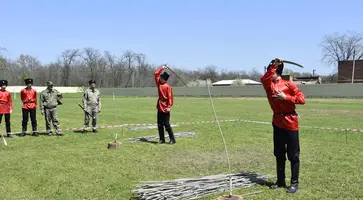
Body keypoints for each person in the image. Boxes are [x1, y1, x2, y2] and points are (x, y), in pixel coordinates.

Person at [260, 58, 306, 193]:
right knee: (279, 153)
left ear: (277, 71)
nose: (269, 73)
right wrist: (275, 63)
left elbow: (302, 100)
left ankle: (294, 183)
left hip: (291, 122)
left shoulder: (288, 84)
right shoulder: (268, 85)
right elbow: (264, 78)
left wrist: (286, 98)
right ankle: (280, 181)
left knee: (293, 155)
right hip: (277, 122)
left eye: (271, 70)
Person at [154, 64, 175, 145]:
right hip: (160, 106)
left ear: (164, 79)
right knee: (159, 124)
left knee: (166, 125)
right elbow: (156, 73)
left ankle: (172, 139)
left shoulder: (168, 87)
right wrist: (162, 67)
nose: (159, 78)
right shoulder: (159, 84)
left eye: (161, 78)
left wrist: (169, 106)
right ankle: (162, 139)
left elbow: (170, 97)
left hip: (165, 107)